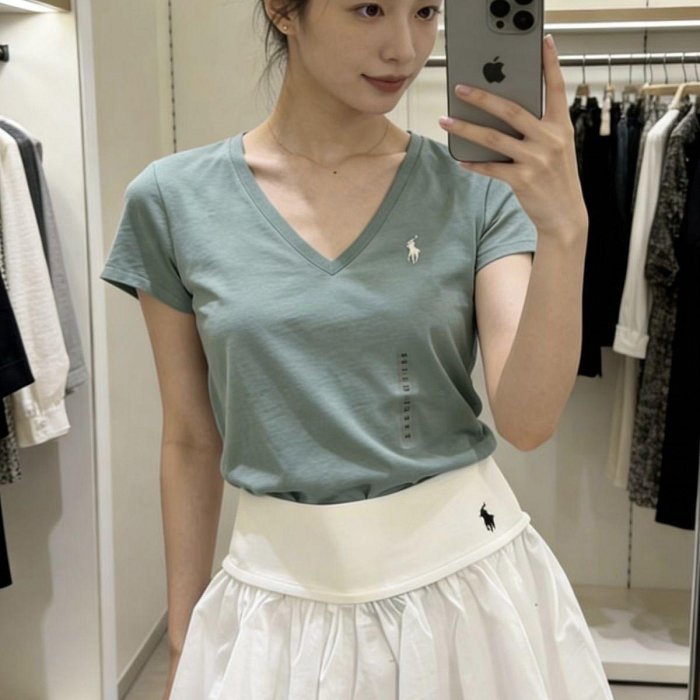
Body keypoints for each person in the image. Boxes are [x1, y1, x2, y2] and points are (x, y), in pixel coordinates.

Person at [100, 0, 614, 697]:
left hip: (465, 598)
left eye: (424, 11)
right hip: (276, 605)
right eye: (369, 9)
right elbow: (191, 438)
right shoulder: (173, 200)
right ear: (284, 10)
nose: (405, 48)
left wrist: (565, 231)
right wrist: (184, 637)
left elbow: (527, 420)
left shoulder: (475, 191)